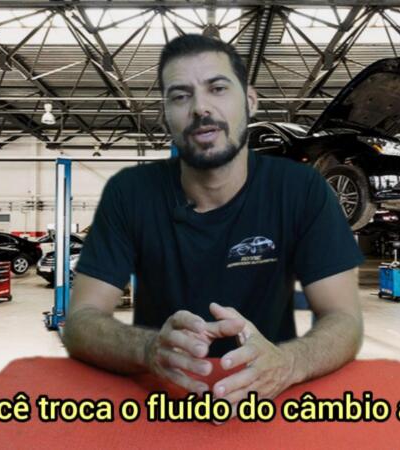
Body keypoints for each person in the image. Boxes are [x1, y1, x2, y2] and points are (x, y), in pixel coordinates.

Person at [62, 34, 364, 415]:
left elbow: (345, 318)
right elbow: (80, 321)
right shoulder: (130, 193)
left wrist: (290, 364)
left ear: (250, 101)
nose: (200, 107)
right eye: (180, 95)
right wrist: (146, 349)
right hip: (157, 409)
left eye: (217, 88)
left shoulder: (302, 190)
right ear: (165, 114)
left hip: (271, 407)